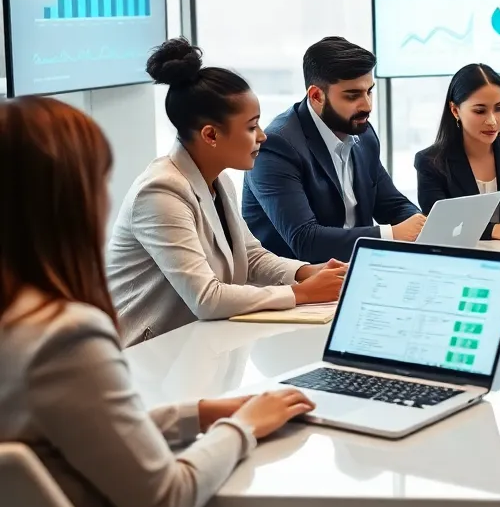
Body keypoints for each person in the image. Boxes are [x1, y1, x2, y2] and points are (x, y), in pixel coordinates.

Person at [0, 96, 379, 507]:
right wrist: (241, 428)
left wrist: (199, 415)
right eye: (99, 181)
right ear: (66, 200)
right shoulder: (67, 337)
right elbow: (168, 499)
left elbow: (88, 429)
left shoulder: (17, 324)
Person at [108, 40, 347, 346]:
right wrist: (302, 293)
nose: (263, 136)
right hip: (146, 359)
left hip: (195, 347)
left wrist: (306, 272)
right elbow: (206, 298)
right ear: (211, 135)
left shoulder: (219, 181)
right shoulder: (159, 193)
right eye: (252, 126)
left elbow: (251, 256)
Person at [243, 36, 424, 263]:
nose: (367, 105)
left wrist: (421, 224)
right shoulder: (277, 146)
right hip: (295, 285)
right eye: (353, 95)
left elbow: (391, 204)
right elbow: (305, 241)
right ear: (317, 96)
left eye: (369, 91)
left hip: (355, 270)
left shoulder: (363, 134)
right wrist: (392, 234)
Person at [413, 63, 500, 240]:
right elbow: (439, 225)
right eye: (480, 111)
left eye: (499, 108)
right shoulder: (430, 161)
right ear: (455, 110)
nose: (492, 121)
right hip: (464, 259)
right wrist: (496, 230)